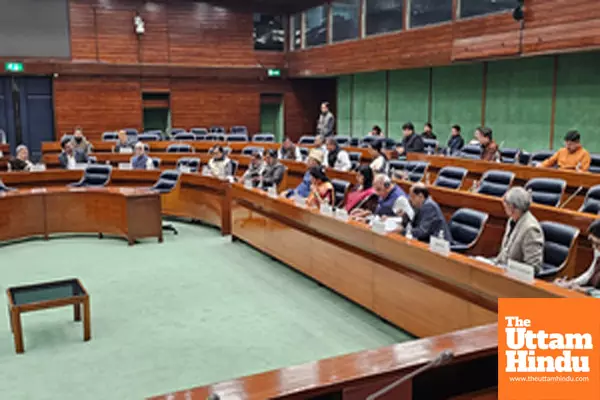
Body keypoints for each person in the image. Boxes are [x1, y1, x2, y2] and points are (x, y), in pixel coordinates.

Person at [494, 187, 544, 271]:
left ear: (512, 207)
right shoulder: (512, 220)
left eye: (505, 204)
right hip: (503, 269)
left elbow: (533, 267)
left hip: (516, 276)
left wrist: (508, 269)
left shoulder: (531, 229)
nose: (504, 207)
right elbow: (505, 252)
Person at [555, 219, 600, 293]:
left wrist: (587, 292)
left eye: (598, 244)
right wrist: (570, 284)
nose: (594, 247)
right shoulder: (597, 250)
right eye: (592, 242)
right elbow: (590, 273)